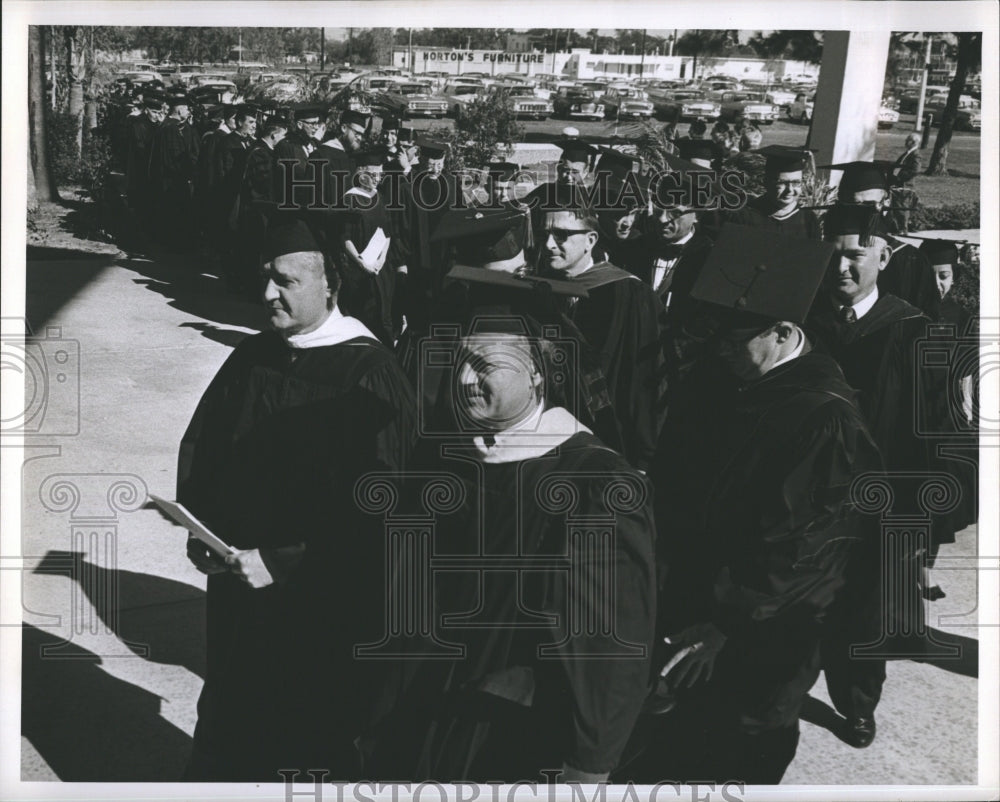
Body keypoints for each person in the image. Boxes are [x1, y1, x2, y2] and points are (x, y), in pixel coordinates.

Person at [367, 269, 656, 782]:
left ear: (539, 373)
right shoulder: (455, 457)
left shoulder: (594, 484)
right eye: (459, 362)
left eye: (484, 365)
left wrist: (590, 763)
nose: (462, 380)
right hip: (429, 705)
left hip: (513, 727)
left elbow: (608, 643)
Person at [624, 224, 881, 784]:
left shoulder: (823, 420)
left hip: (764, 636)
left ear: (785, 332)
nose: (718, 350)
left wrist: (722, 625)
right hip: (696, 611)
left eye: (732, 339)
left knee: (732, 758)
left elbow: (804, 555)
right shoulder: (732, 378)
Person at [178, 213, 417, 781]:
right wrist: (200, 528)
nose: (267, 293)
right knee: (232, 717)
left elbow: (384, 510)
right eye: (266, 277)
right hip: (239, 591)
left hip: (320, 602)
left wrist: (284, 561)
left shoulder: (370, 374)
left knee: (302, 731)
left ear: (330, 283)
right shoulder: (254, 357)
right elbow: (205, 450)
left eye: (286, 281)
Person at [809, 204, 954, 749]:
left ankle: (858, 703)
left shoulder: (914, 330)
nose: (843, 266)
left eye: (856, 254)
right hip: (810, 496)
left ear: (884, 256)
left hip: (881, 503)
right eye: (834, 254)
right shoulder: (803, 321)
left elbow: (936, 433)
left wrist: (923, 523)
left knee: (864, 611)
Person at [538, 191, 664, 471]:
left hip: (608, 436)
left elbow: (644, 379)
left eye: (561, 235)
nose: (548, 244)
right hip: (545, 435)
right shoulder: (537, 288)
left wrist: (643, 455)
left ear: (590, 240)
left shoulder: (631, 294)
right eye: (544, 233)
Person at [823, 159, 941, 320]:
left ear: (886, 202)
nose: (860, 213)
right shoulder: (826, 256)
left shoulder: (911, 260)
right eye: (851, 204)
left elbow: (929, 315)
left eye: (869, 205)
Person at [337, 148, 398, 346]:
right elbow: (344, 237)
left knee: (383, 315)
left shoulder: (380, 198)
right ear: (361, 173)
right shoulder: (349, 199)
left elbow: (388, 232)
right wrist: (360, 262)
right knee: (361, 316)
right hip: (357, 270)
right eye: (372, 174)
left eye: (380, 174)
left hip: (381, 269)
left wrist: (381, 259)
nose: (377, 179)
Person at [726, 145, 821, 239]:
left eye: (796, 183)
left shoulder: (808, 219)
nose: (790, 190)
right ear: (766, 182)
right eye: (782, 183)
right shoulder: (745, 217)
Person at [148, 94, 201, 247]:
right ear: (179, 110)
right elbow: (176, 156)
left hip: (163, 177)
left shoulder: (164, 126)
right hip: (172, 179)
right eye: (186, 109)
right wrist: (188, 173)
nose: (189, 112)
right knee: (174, 212)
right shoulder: (171, 129)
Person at [890, 131, 922, 233]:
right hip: (897, 183)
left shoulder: (915, 155)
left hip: (905, 184)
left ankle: (903, 229)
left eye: (907, 140)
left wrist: (900, 177)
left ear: (913, 142)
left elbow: (915, 170)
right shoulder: (907, 154)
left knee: (902, 207)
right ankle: (897, 227)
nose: (905, 142)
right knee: (896, 206)